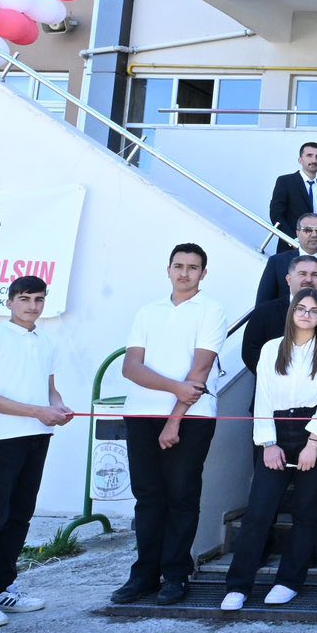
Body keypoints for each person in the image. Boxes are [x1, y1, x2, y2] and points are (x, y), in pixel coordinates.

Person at [110, 244, 227, 607]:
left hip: (191, 418)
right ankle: (144, 574)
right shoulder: (148, 311)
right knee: (147, 497)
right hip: (141, 415)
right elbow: (131, 368)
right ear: (168, 269)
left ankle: (175, 575)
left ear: (203, 274)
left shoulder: (211, 310)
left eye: (193, 267)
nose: (184, 273)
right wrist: (176, 387)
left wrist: (174, 419)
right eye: (178, 266)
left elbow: (200, 371)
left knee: (181, 495)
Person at [0, 276, 73, 630]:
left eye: (38, 299)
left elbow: (50, 390)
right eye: (24, 299)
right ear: (10, 301)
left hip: (37, 436)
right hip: (0, 439)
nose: (32, 306)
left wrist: (58, 407)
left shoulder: (47, 341)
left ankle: (2, 587)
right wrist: (38, 411)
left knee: (20, 516)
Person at [220, 289, 317, 611]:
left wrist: (314, 443)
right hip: (276, 431)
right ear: (291, 312)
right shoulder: (272, 348)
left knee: (306, 512)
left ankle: (289, 582)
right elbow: (264, 396)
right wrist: (268, 444)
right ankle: (239, 585)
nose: (306, 315)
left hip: (313, 433)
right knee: (259, 511)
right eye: (301, 309)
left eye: (313, 311)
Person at [257, 212, 317, 307]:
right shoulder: (277, 261)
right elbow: (263, 303)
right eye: (308, 230)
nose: (314, 235)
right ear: (297, 233)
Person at [269, 140, 317, 233]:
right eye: (309, 155)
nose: (314, 160)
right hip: (291, 240)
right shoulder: (285, 181)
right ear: (300, 160)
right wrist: (292, 238)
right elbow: (276, 214)